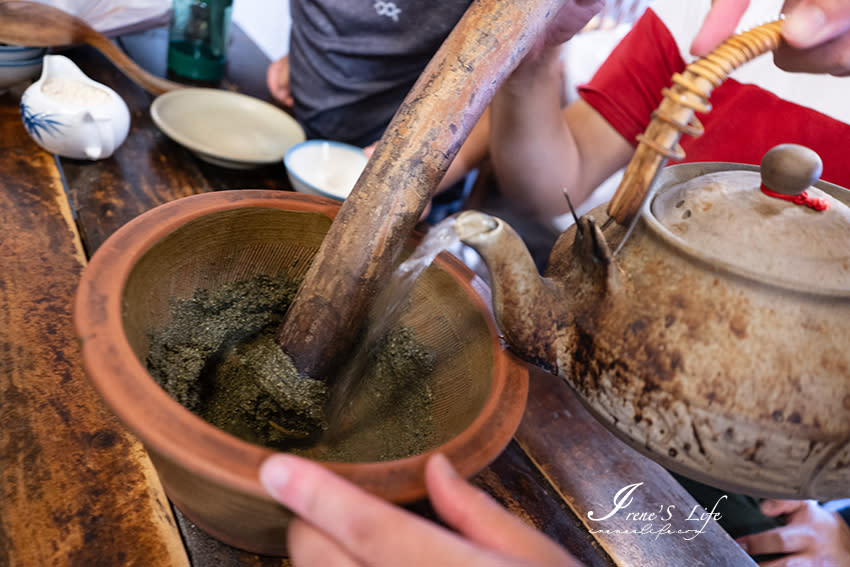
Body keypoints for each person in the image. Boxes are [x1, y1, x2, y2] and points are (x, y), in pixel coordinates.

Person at [259, 2, 850, 566]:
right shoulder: (704, 23)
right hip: (594, 416)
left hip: (775, 492)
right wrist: (537, 59)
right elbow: (553, 186)